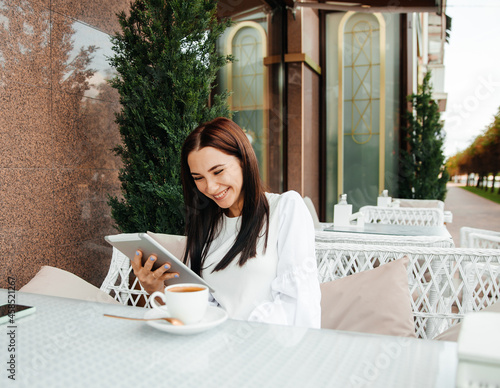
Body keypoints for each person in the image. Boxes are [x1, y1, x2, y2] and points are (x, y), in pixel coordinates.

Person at [131, 117, 321, 328]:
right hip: (214, 347)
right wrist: (156, 289)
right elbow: (204, 310)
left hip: (267, 347)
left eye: (218, 171)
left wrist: (238, 337)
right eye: (198, 177)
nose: (210, 187)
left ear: (243, 159)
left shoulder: (286, 208)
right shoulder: (207, 226)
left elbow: (298, 302)